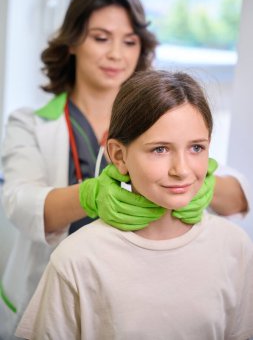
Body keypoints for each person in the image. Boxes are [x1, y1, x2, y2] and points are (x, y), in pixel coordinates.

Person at [0, 0, 249, 339]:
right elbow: (20, 203)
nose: (117, 54)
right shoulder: (32, 124)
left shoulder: (162, 116)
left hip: (137, 288)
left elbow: (238, 194)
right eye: (101, 38)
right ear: (72, 42)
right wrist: (91, 196)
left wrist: (202, 185)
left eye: (130, 41)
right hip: (64, 284)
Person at [15, 70, 253, 339]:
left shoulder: (235, 247)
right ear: (118, 155)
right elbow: (19, 200)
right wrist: (88, 195)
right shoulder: (77, 259)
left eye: (196, 148)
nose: (182, 169)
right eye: (160, 149)